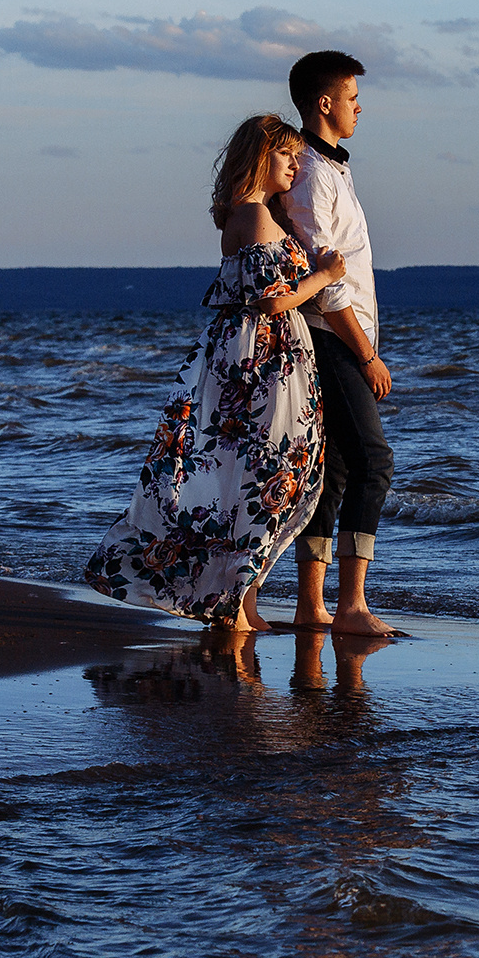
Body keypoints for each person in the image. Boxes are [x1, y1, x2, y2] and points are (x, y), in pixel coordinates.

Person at [83, 114, 347, 633]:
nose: (296, 163)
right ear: (259, 158)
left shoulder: (252, 214)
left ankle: (239, 601)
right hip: (260, 363)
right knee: (264, 474)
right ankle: (233, 603)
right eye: (286, 155)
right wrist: (325, 275)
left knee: (252, 476)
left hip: (254, 358)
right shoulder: (251, 216)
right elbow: (272, 302)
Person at [283, 50, 397, 636]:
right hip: (332, 339)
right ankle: (349, 604)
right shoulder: (307, 171)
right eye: (352, 98)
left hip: (342, 338)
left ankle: (313, 605)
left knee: (337, 470)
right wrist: (367, 354)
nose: (360, 107)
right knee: (374, 462)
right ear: (324, 103)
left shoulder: (333, 168)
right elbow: (326, 283)